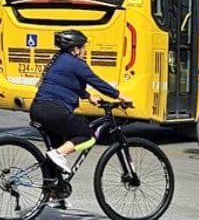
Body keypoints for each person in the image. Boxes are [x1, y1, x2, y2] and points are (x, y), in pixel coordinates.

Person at [30, 29, 130, 175]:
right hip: (54, 111)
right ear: (75, 49)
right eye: (83, 47)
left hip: (39, 109)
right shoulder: (76, 63)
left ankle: (52, 192)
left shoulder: (60, 60)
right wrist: (120, 96)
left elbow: (67, 83)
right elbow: (97, 82)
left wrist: (89, 97)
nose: (84, 51)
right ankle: (58, 154)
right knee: (87, 136)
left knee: (55, 158)